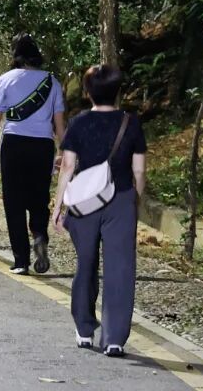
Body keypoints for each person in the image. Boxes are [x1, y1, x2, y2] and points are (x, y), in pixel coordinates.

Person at [52, 64, 146, 357]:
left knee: (86, 264)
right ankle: (115, 338)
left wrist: (57, 206)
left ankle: (83, 329)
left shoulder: (79, 123)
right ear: (118, 92)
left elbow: (67, 166)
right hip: (121, 200)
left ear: (88, 91)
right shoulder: (131, 123)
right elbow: (139, 170)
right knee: (120, 269)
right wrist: (135, 201)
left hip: (84, 203)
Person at [0, 33, 66, 275]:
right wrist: (64, 150)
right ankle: (39, 234)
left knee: (14, 202)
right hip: (42, 145)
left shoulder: (6, 80)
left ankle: (21, 260)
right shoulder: (52, 81)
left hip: (14, 144)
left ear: (15, 55)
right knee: (39, 197)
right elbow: (59, 122)